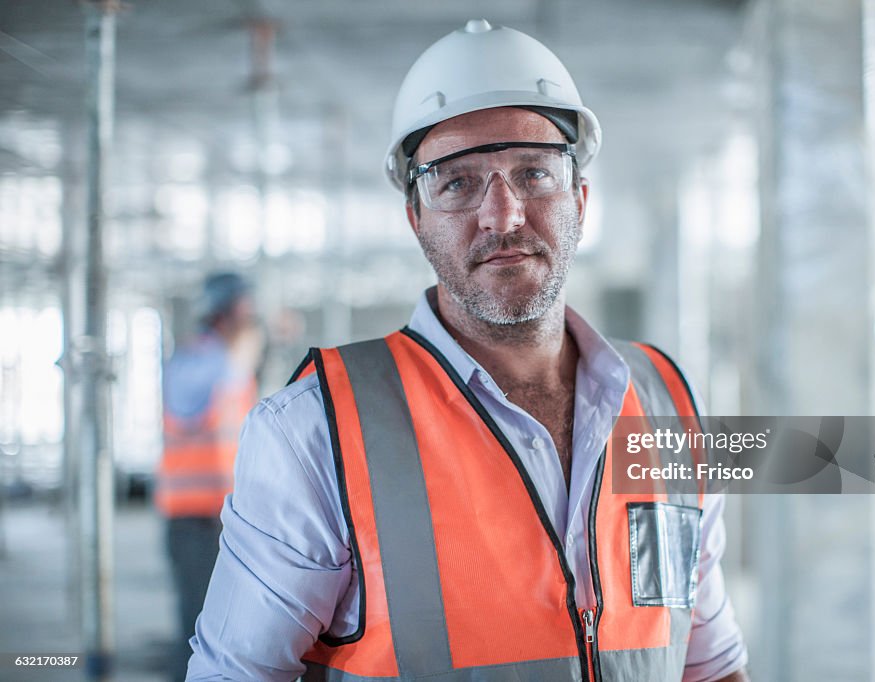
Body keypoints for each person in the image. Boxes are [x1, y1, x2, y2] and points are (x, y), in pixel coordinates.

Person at [188, 19, 749, 682]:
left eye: (534, 173)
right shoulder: (315, 431)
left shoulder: (670, 402)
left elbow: (707, 662)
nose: (504, 215)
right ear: (415, 218)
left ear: (580, 198)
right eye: (456, 183)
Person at [157, 272, 262, 682]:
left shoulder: (231, 360)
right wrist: (234, 359)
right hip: (192, 517)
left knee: (228, 624)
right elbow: (188, 406)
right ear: (225, 312)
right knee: (197, 625)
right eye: (245, 306)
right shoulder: (198, 360)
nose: (253, 316)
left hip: (226, 515)